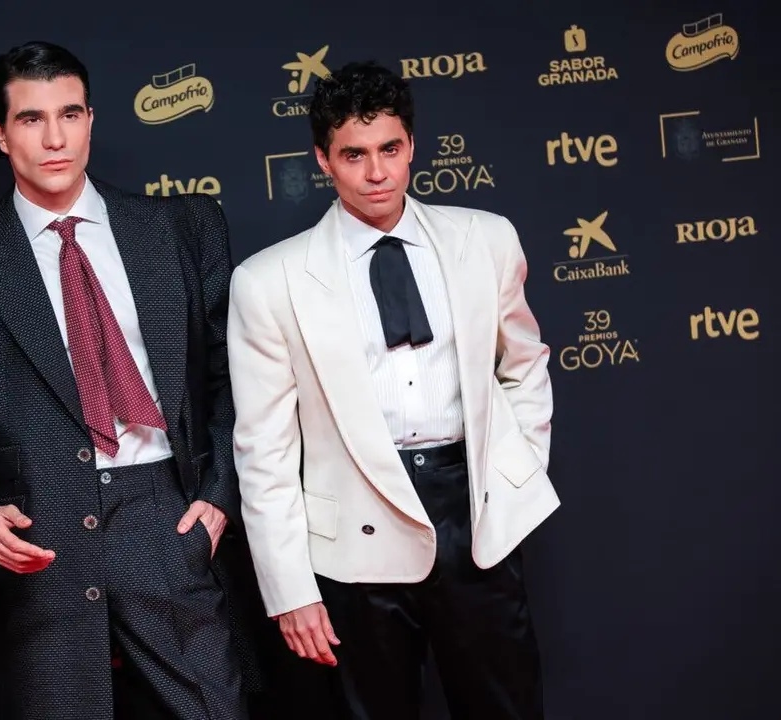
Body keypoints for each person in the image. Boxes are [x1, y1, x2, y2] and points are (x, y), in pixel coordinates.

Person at [0, 40, 257, 720]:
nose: (56, 138)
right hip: (42, 533)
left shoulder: (182, 228)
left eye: (70, 113)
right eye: (32, 119)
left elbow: (234, 377)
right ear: (0, 134)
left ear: (92, 119)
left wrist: (216, 500)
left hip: (164, 512)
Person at [226, 60, 559, 720]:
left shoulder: (485, 240)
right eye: (354, 154)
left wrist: (515, 472)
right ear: (323, 159)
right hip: (353, 531)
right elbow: (262, 451)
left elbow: (524, 363)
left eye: (390, 149)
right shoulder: (269, 282)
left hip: (473, 515)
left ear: (411, 145)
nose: (376, 172)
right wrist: (289, 587)